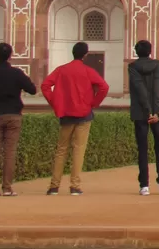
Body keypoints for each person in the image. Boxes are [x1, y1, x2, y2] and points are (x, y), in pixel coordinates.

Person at [42, 41, 110, 196]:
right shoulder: (87, 70)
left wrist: (55, 102)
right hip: (84, 113)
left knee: (61, 150)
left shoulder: (62, 70)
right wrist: (94, 102)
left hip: (65, 113)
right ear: (85, 55)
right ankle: (75, 186)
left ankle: (54, 186)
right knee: (78, 150)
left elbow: (45, 85)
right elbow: (104, 87)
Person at [0, 42, 36, 197]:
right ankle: (7, 188)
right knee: (10, 152)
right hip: (13, 115)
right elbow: (32, 90)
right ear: (10, 55)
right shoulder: (17, 73)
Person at [128, 39, 159, 195]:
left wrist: (147, 111)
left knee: (142, 148)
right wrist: (157, 113)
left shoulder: (132, 67)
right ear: (150, 51)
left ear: (136, 51)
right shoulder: (157, 65)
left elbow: (139, 88)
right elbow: (156, 89)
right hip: (156, 112)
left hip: (140, 113)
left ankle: (144, 185)